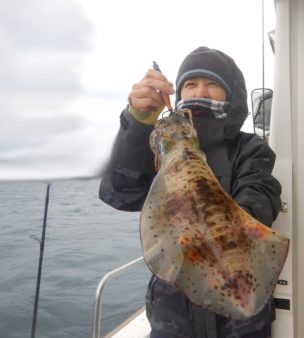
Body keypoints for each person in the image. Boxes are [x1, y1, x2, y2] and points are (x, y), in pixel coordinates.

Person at [99, 46, 282, 338]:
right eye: (190, 84)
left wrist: (215, 223)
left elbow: (261, 195)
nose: (201, 91)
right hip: (172, 318)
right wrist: (137, 122)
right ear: (179, 92)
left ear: (230, 95)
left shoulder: (250, 148)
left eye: (212, 85)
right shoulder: (163, 150)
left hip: (239, 321)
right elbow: (120, 193)